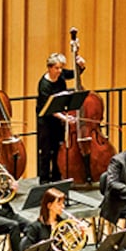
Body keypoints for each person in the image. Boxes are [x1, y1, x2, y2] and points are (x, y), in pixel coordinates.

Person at [35, 51, 83, 182]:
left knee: (58, 149)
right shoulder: (44, 85)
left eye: (61, 67)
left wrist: (81, 66)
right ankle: (44, 181)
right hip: (46, 121)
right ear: (49, 68)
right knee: (46, 152)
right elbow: (49, 109)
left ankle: (57, 178)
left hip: (58, 121)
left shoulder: (61, 75)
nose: (60, 70)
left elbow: (75, 74)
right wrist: (65, 118)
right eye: (57, 68)